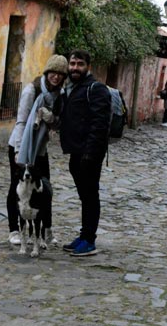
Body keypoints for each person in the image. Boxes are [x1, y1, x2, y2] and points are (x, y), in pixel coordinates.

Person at [6, 54, 68, 246]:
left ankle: (46, 231)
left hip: (40, 148)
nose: (56, 77)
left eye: (60, 74)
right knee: (17, 189)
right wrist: (18, 151)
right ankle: (14, 230)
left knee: (44, 189)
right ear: (47, 72)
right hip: (22, 146)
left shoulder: (60, 96)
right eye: (53, 72)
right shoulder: (31, 90)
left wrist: (52, 120)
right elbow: (22, 121)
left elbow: (58, 124)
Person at [59, 49, 111, 257]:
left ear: (88, 66)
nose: (75, 68)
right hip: (76, 152)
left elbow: (100, 124)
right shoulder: (74, 88)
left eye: (80, 64)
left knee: (90, 196)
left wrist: (90, 153)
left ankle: (89, 240)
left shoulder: (96, 89)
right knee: (84, 196)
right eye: (72, 64)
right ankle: (83, 235)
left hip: (89, 154)